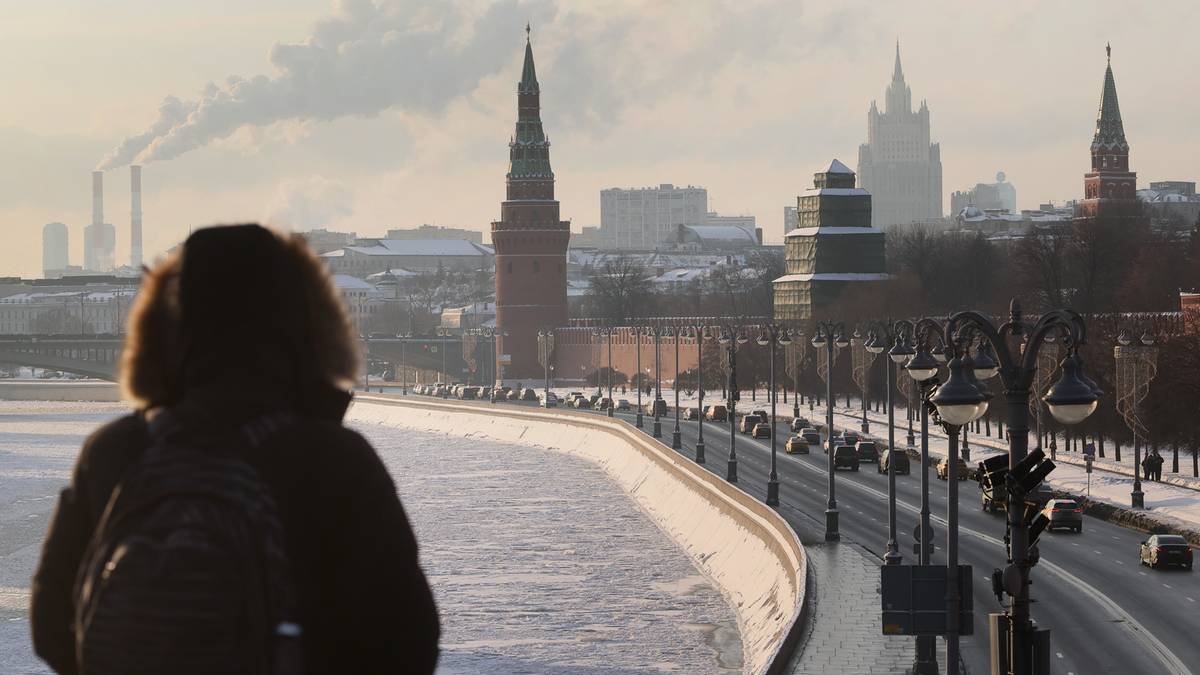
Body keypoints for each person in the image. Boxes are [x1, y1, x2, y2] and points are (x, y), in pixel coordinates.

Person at [30, 224, 439, 674]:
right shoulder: (335, 459)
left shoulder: (115, 450)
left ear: (162, 327)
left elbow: (52, 623)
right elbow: (407, 638)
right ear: (309, 325)